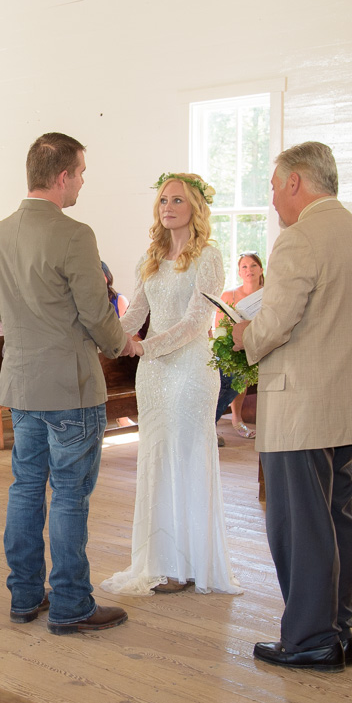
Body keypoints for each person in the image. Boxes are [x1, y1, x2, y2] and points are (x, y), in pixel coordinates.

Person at [232, 141, 352, 672]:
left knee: (299, 527)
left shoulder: (300, 240)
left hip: (300, 409)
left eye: (274, 187)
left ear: (296, 181)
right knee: (340, 520)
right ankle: (337, 631)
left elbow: (274, 325)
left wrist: (242, 333)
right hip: (348, 405)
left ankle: (308, 639)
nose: (274, 200)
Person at [0, 132, 135, 635]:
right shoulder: (75, 234)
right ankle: (71, 602)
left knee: (26, 489)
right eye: (82, 174)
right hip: (69, 386)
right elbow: (97, 315)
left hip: (22, 384)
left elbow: (0, 314)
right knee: (70, 495)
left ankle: (26, 596)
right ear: (62, 175)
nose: (83, 184)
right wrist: (123, 344)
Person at [100, 173, 241, 598]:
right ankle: (161, 560)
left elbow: (197, 323)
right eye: (163, 200)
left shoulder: (209, 258)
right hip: (155, 374)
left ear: (194, 207)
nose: (168, 206)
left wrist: (144, 348)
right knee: (158, 457)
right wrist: (105, 338)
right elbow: (134, 314)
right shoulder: (153, 256)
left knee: (186, 457)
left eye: (178, 200)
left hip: (190, 369)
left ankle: (188, 563)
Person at [215, 252, 265, 440]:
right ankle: (222, 420)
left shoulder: (270, 293)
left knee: (240, 370)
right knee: (229, 370)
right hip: (234, 348)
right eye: (244, 266)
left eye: (253, 265)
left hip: (261, 347)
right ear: (239, 272)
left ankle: (236, 419)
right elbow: (219, 329)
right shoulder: (229, 295)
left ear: (261, 269)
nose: (249, 270)